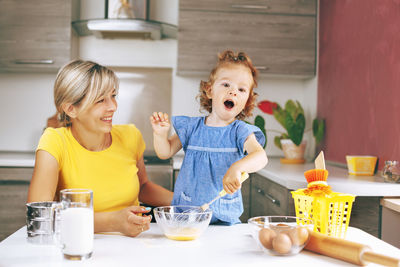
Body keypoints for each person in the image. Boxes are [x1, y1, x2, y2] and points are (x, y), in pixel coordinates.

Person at [27, 59, 173, 237]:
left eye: (113, 96)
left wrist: (189, 203)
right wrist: (113, 222)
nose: (113, 106)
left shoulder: (130, 136)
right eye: (100, 100)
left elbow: (142, 187)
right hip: (76, 246)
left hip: (133, 246)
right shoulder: (54, 142)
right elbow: (39, 217)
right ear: (71, 109)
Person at [150, 50, 268, 225]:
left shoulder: (240, 131)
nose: (233, 92)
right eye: (226, 84)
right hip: (187, 215)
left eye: (241, 89)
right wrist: (160, 134)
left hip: (224, 219)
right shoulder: (191, 128)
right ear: (210, 90)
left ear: (247, 100)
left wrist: (237, 168)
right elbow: (165, 152)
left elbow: (260, 157)